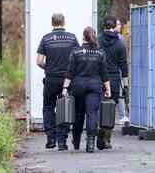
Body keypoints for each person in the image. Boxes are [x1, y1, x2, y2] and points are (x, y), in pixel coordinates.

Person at [62, 27, 111, 153]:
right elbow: (104, 74)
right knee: (92, 114)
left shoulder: (75, 52)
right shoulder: (100, 52)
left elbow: (70, 72)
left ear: (83, 37)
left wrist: (65, 88)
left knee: (78, 114)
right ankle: (90, 144)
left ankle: (76, 141)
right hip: (95, 86)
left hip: (78, 86)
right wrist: (108, 89)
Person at [36, 13, 79, 151]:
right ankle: (62, 141)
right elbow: (77, 59)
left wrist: (48, 68)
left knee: (48, 107)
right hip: (67, 79)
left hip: (50, 78)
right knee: (65, 107)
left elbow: (39, 61)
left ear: (52, 23)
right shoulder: (72, 38)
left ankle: (50, 138)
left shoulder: (46, 38)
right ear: (64, 22)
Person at [97, 16, 128, 150]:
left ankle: (98, 129)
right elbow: (124, 66)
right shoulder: (120, 44)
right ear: (114, 26)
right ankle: (107, 139)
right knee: (110, 109)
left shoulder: (98, 41)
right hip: (114, 79)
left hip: (98, 78)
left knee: (98, 107)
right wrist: (125, 84)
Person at [114, 19, 129, 124]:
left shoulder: (121, 38)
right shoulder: (120, 39)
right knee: (120, 93)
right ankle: (122, 116)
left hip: (115, 69)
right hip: (117, 69)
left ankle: (122, 115)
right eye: (118, 24)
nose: (120, 26)